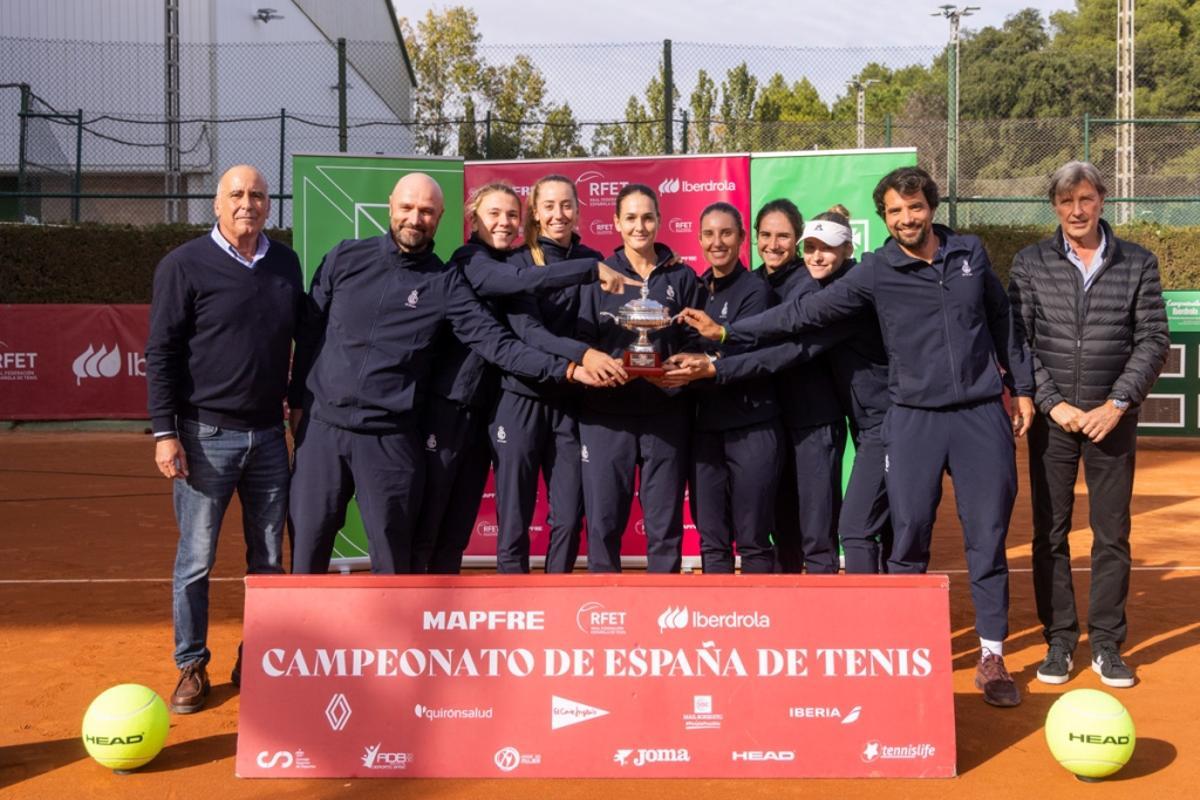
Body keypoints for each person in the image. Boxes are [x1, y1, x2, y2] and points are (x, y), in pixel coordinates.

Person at [679, 167, 1035, 707]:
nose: (906, 218)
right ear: (884, 218)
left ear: (930, 207)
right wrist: (727, 333)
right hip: (912, 418)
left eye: (914, 208)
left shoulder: (970, 254)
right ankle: (897, 644)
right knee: (907, 537)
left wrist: (1022, 386)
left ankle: (991, 656)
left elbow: (1001, 316)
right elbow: (798, 317)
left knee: (985, 536)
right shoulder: (875, 272)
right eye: (895, 211)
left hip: (979, 414)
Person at [287, 173, 602, 577]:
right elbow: (309, 332)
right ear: (391, 205)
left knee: (397, 564)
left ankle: (402, 642)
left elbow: (498, 344)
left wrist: (569, 369)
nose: (415, 218)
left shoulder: (445, 282)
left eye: (426, 211)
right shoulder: (346, 257)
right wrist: (297, 402)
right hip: (324, 430)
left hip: (391, 435)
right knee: (306, 553)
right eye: (408, 208)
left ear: (441, 216)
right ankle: (292, 641)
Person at [146, 165, 303, 714]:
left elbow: (299, 342)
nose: (248, 204)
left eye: (258, 195)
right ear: (216, 204)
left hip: (267, 435)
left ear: (268, 205)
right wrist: (166, 432)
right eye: (236, 194)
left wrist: (297, 412)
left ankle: (256, 655)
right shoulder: (183, 265)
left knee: (267, 560)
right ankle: (191, 664)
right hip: (204, 434)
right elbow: (161, 354)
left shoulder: (285, 262)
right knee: (195, 560)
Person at [1009, 161, 1169, 688]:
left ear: (1102, 200)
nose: (1076, 211)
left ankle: (1105, 643)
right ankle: (1058, 640)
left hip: (1112, 421)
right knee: (1049, 534)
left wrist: (1117, 403)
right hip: (1053, 422)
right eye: (1065, 201)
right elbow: (1020, 342)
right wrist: (1053, 403)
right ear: (1054, 207)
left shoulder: (1138, 263)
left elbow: (1152, 340)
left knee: (1112, 534)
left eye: (1085, 199)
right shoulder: (1029, 263)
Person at [412, 182, 627, 574]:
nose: (504, 222)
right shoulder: (474, 260)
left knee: (464, 524)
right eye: (494, 214)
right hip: (467, 403)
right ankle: (431, 612)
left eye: (511, 214)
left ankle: (549, 602)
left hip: (494, 405)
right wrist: (588, 275)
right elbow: (524, 323)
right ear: (472, 217)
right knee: (444, 518)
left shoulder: (512, 259)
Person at [669, 203, 893, 574]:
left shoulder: (817, 287)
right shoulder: (756, 282)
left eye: (784, 236)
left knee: (818, 535)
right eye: (766, 236)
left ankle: (832, 625)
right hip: (773, 425)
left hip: (815, 423)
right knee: (783, 529)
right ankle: (790, 619)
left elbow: (784, 352)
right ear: (753, 239)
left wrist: (716, 365)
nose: (773, 245)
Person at [492, 175, 627, 573]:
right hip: (520, 399)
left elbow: (592, 324)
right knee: (514, 516)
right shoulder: (516, 263)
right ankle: (513, 610)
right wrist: (585, 357)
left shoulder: (592, 260)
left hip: (570, 402)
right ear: (535, 212)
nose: (558, 215)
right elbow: (528, 332)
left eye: (566, 205)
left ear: (579, 211)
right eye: (549, 206)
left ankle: (557, 599)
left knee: (568, 517)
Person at [576, 183, 705, 573]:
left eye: (648, 217)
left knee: (664, 524)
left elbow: (695, 339)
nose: (640, 226)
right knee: (603, 522)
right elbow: (582, 339)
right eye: (630, 217)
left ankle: (661, 613)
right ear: (616, 222)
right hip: (605, 415)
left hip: (665, 414)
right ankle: (605, 616)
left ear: (660, 221)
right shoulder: (598, 274)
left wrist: (680, 370)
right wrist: (596, 364)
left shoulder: (681, 277)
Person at [673, 202, 782, 573]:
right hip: (705, 431)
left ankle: (760, 626)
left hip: (751, 426)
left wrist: (708, 358)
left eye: (726, 233)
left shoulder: (756, 290)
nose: (716, 242)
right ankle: (719, 626)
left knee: (752, 538)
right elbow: (686, 346)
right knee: (712, 539)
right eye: (708, 234)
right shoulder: (697, 288)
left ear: (741, 239)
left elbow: (749, 350)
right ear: (699, 239)